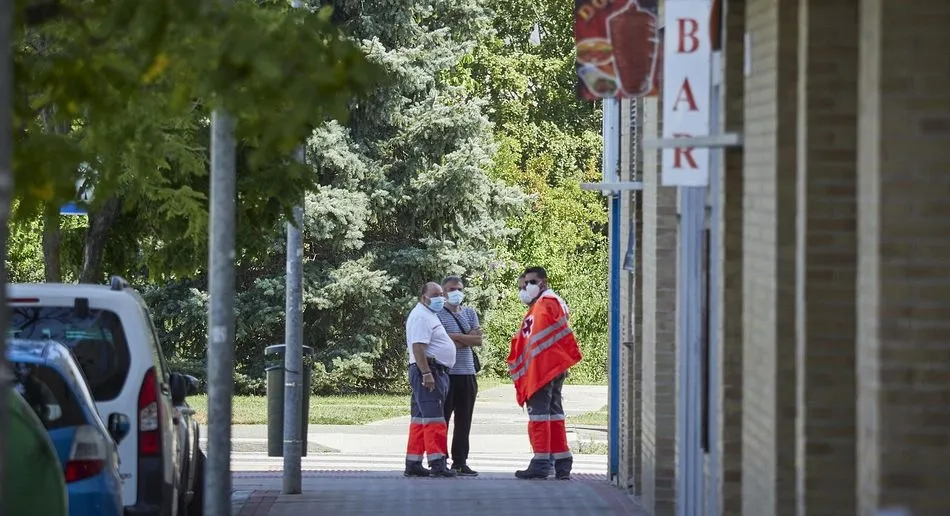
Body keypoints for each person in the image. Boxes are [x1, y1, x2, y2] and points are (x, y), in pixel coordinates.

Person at [508, 266, 582, 480]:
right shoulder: (544, 303)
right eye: (523, 285)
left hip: (544, 370)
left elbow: (539, 340)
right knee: (553, 415)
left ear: (543, 282)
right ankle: (561, 462)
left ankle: (541, 462)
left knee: (540, 415)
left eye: (531, 282)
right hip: (551, 367)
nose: (526, 288)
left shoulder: (546, 303)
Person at [404, 282, 458, 478]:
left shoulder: (427, 315)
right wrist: (426, 373)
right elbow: (418, 347)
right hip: (429, 372)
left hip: (429, 371)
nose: (440, 298)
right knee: (435, 418)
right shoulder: (421, 317)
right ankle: (438, 463)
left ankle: (413, 463)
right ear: (424, 297)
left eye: (441, 294)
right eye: (435, 295)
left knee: (420, 419)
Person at [437, 275, 483, 477]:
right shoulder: (438, 314)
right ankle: (439, 460)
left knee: (464, 421)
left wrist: (455, 337)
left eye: (460, 289)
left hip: (467, 373)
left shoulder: (470, 313)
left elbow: (478, 340)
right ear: (443, 292)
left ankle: (460, 461)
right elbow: (443, 342)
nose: (457, 292)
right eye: (452, 289)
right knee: (442, 419)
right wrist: (466, 338)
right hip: (447, 373)